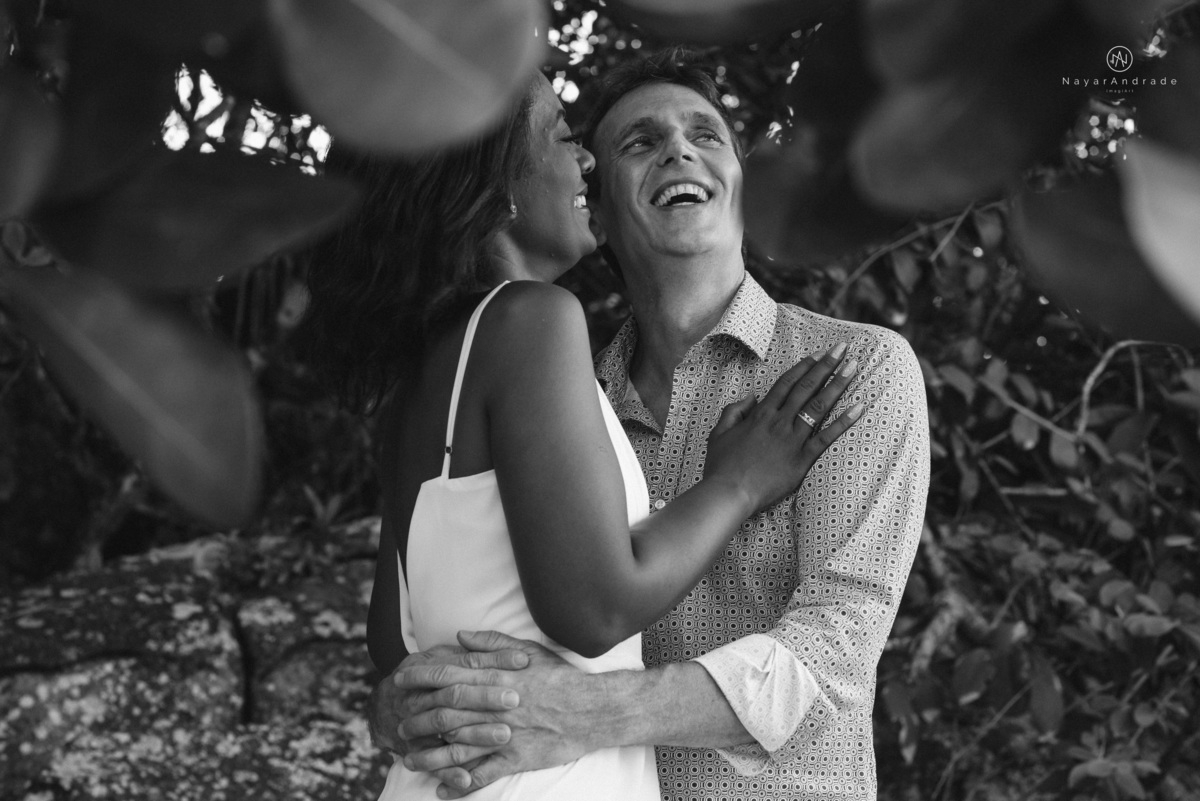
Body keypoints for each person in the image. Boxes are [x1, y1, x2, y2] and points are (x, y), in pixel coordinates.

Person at [371, 49, 931, 801]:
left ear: (742, 184)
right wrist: (402, 707)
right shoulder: (555, 395)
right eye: (639, 142)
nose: (678, 150)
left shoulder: (853, 371)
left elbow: (834, 654)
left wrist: (585, 713)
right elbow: (426, 631)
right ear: (594, 209)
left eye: (707, 135)